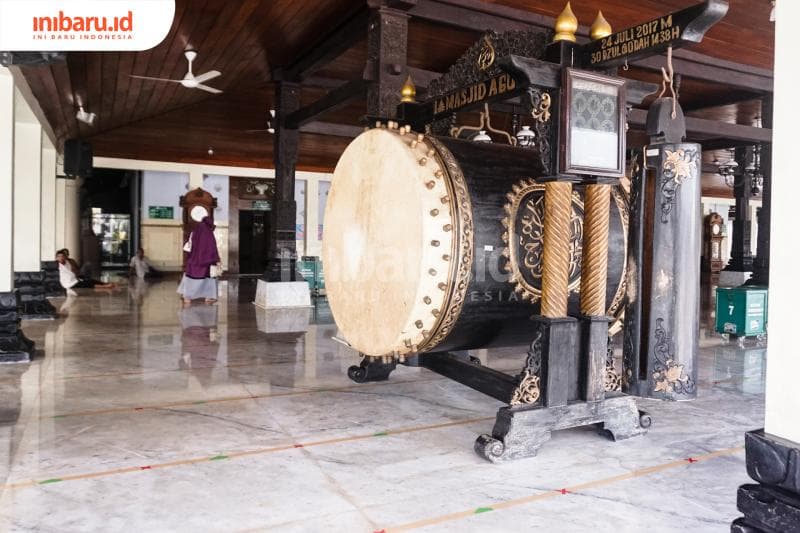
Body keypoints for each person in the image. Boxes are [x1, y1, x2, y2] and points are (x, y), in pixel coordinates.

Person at [177, 213, 221, 305]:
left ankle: (187, 298)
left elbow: (189, 246)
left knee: (191, 279)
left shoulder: (195, 230)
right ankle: (208, 297)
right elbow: (212, 247)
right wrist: (217, 259)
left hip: (193, 261)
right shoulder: (209, 233)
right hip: (206, 262)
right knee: (208, 280)